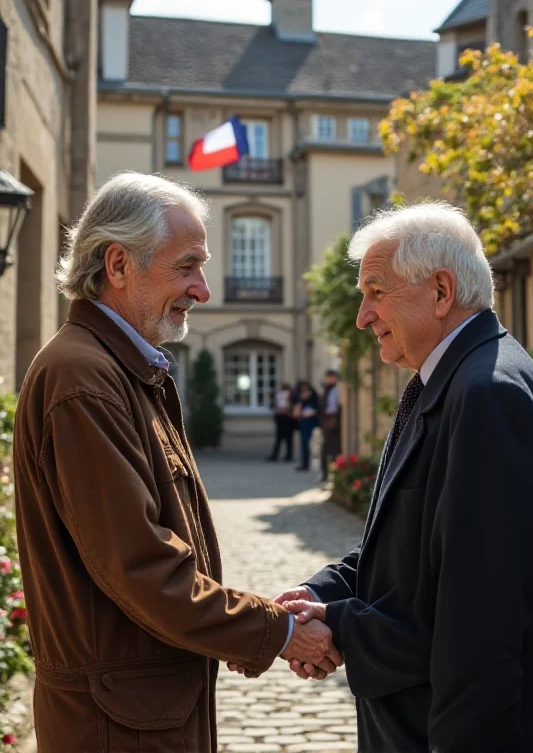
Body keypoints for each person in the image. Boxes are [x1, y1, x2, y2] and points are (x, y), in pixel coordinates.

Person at [12, 173, 341, 753]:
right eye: (186, 266)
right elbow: (142, 568)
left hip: (140, 712)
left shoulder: (118, 368)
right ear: (118, 265)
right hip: (116, 725)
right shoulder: (84, 378)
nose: (203, 289)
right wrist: (280, 631)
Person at [275, 202, 533, 752]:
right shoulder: (450, 379)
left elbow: (478, 626)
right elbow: (411, 551)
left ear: (441, 292)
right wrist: (321, 594)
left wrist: (339, 628)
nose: (362, 316)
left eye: (376, 291)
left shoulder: (489, 394)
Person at [319, 369, 341, 484]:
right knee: (325, 451)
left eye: (332, 377)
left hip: (334, 424)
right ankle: (325, 474)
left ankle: (333, 476)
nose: (330, 379)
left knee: (334, 451)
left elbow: (336, 407)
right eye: (328, 377)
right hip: (326, 423)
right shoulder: (326, 389)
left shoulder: (336, 389)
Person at [266, 382, 294, 462]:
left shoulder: (290, 394)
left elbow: (292, 404)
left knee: (288, 438)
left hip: (288, 418)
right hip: (280, 417)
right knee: (279, 438)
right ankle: (276, 455)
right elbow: (273, 405)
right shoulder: (277, 394)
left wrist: (288, 409)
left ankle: (288, 455)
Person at [294, 381, 319, 472]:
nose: (304, 393)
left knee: (311, 445)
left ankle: (311, 462)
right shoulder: (301, 401)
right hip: (303, 425)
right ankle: (305, 463)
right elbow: (296, 413)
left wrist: (305, 414)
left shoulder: (313, 401)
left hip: (311, 425)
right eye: (303, 392)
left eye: (306, 391)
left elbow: (314, 411)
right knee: (304, 445)